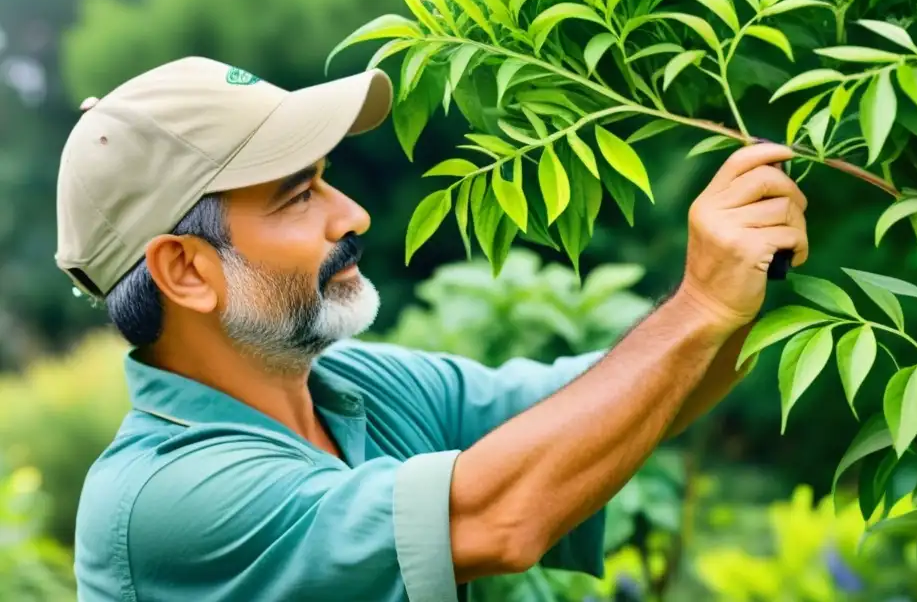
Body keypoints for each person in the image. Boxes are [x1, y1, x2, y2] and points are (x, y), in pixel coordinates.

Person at [57, 56, 808, 602]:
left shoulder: (356, 389)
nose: (350, 215)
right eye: (296, 197)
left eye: (327, 179)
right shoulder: (165, 500)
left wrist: (747, 283)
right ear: (185, 271)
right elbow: (497, 515)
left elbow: (618, 399)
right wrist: (700, 307)